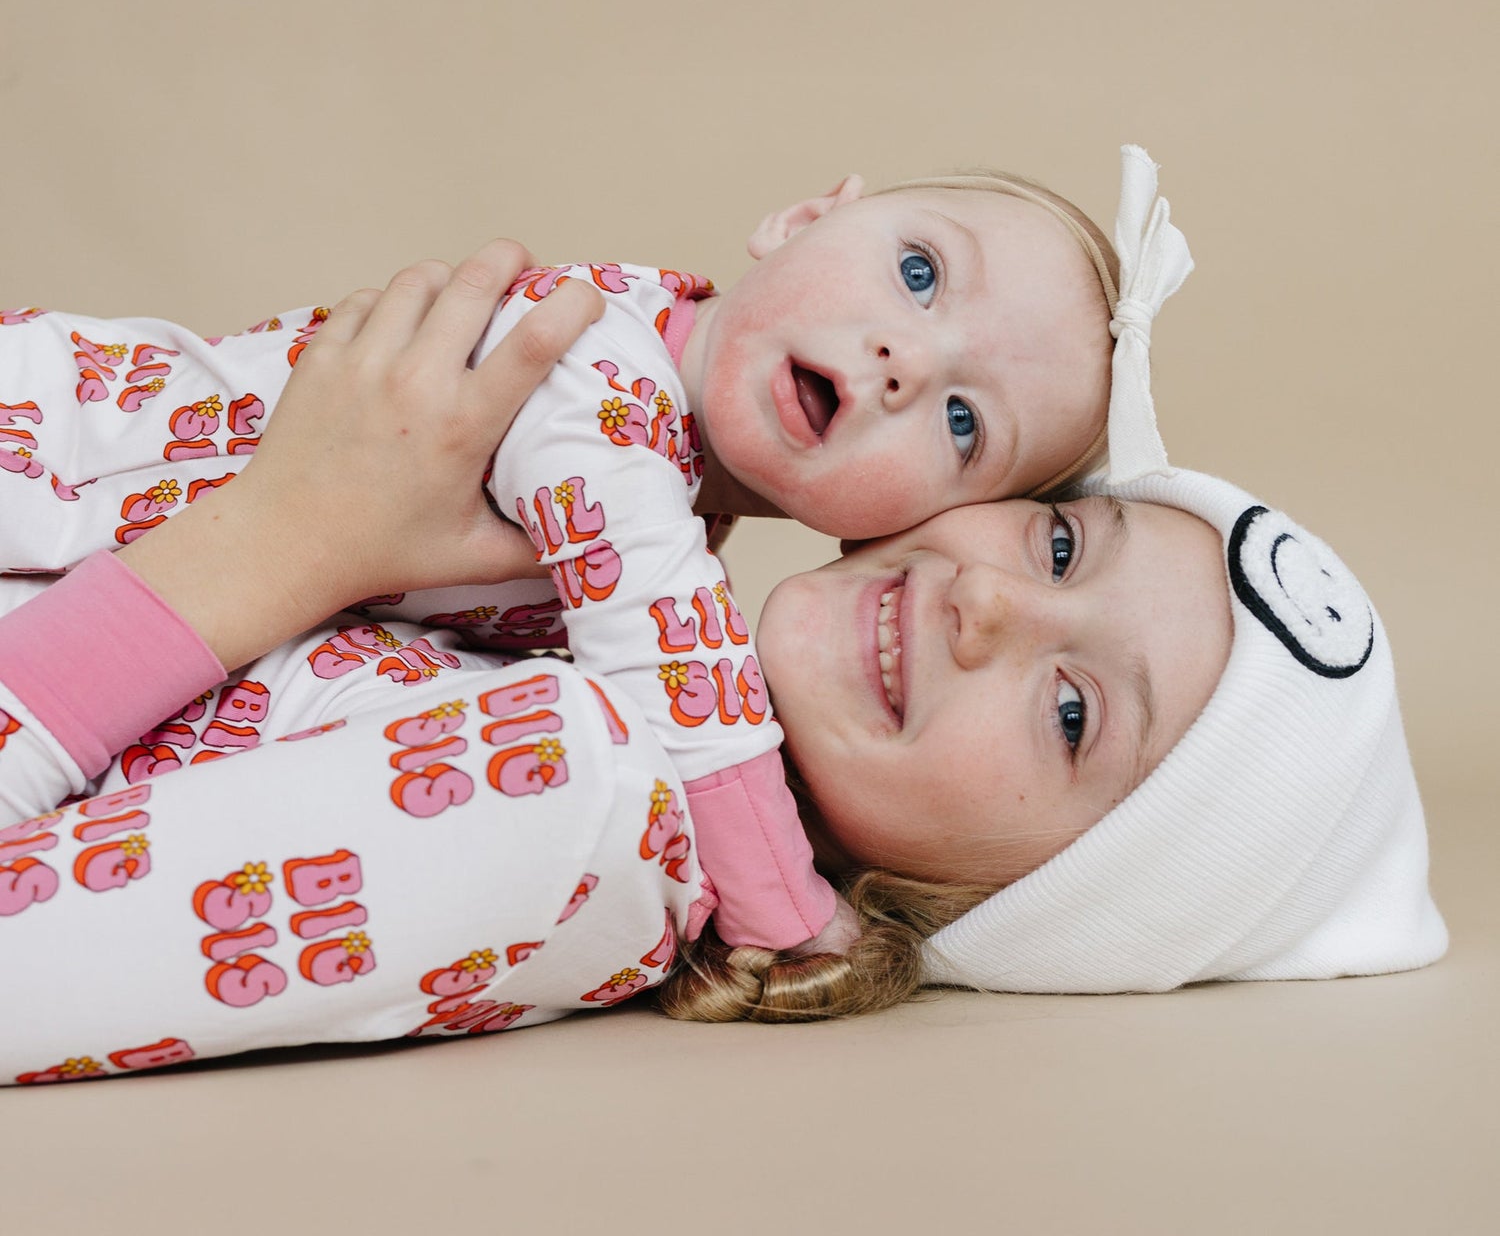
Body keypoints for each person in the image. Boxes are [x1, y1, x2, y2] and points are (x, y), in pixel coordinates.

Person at [0, 245, 1446, 1080]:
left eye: (1072, 712)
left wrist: (283, 538)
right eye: (1063, 545)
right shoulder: (591, 586)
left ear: (1030, 902)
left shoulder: (577, 805)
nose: (990, 602)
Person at [0, 146, 1188, 965]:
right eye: (919, 273)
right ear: (803, 219)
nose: (904, 363)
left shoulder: (679, 497)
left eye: (964, 424)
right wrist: (785, 911)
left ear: (909, 521)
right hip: (42, 455)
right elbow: (676, 671)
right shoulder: (594, 374)